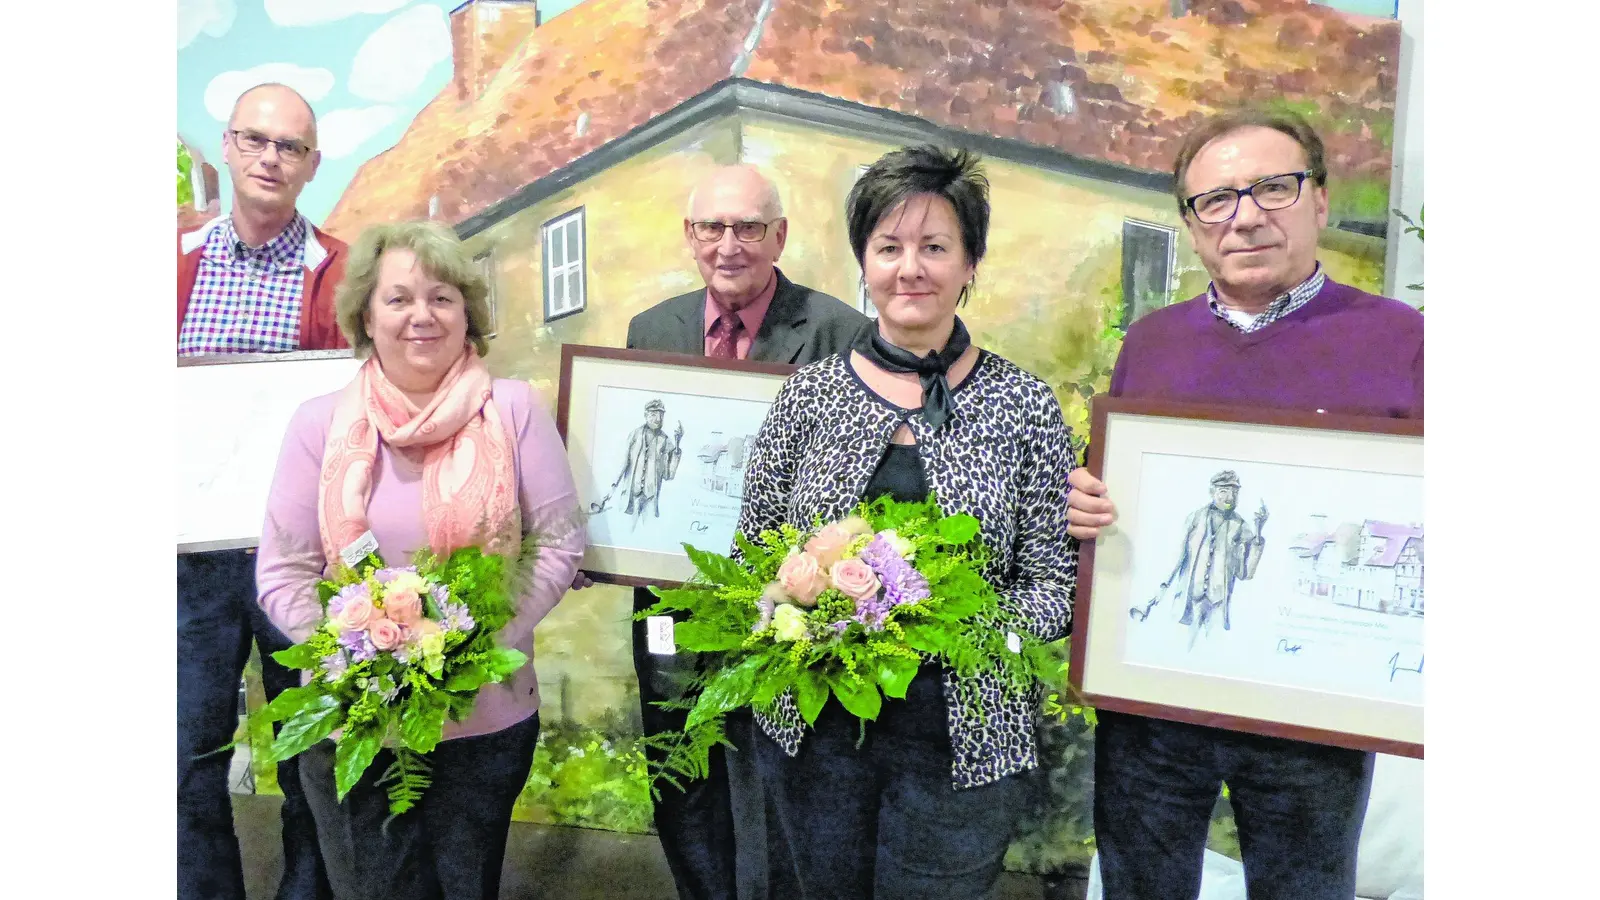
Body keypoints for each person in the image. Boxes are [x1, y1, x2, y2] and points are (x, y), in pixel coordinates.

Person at [1066, 110, 1423, 900]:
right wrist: (1091, 501)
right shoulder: (1152, 342)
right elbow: (1124, 493)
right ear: (1192, 226)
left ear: (1320, 202)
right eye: (1217, 200)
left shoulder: (1404, 342)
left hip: (1309, 713)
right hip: (1155, 702)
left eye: (1273, 187)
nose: (1247, 215)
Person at [737, 145, 1078, 900]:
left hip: (965, 735)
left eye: (934, 247)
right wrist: (800, 604)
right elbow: (754, 547)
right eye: (889, 248)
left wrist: (954, 630)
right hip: (814, 728)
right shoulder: (810, 396)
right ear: (864, 260)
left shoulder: (1023, 405)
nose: (910, 269)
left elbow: (1056, 584)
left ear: (970, 262)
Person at [254, 221, 585, 900]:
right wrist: (351, 656)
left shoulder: (516, 410)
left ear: (468, 313)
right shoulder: (318, 424)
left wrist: (473, 646)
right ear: (365, 318)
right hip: (355, 720)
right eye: (398, 299)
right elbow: (283, 571)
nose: (421, 316)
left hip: (487, 716)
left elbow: (556, 543)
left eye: (442, 297)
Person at [579, 164, 867, 900]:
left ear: (780, 236)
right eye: (711, 227)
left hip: (790, 603)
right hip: (670, 599)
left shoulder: (838, 331)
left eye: (748, 227)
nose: (729, 245)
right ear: (689, 236)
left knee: (777, 780)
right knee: (681, 774)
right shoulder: (654, 329)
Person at [177, 82, 344, 900]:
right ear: (229, 146)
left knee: (313, 754)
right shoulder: (166, 260)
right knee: (181, 754)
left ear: (312, 166)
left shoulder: (344, 274)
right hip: (186, 565)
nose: (272, 158)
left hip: (300, 559)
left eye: (292, 147)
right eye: (257, 140)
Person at [1130, 470, 1267, 640]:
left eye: (1234, 492)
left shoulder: (1241, 526)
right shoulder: (1195, 518)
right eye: (1223, 491)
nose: (1230, 497)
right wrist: (1154, 598)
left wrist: (1259, 531)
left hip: (1217, 607)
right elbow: (1176, 559)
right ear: (1212, 492)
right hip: (1187, 604)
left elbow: (1245, 574)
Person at [607, 399, 685, 525]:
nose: (658, 419)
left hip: (650, 499)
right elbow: (622, 463)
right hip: (630, 497)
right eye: (653, 414)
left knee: (648, 532)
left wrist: (677, 443)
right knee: (626, 529)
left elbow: (669, 475)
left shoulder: (665, 441)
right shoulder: (634, 435)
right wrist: (612, 488)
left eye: (661, 415)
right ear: (645, 415)